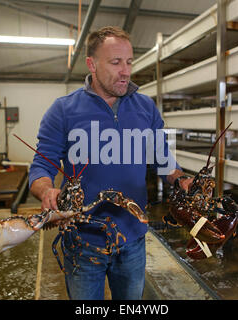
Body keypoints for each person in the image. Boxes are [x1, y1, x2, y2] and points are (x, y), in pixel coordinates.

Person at [29, 26, 193, 300]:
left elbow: (163, 159)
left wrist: (181, 179)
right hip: (82, 242)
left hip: (132, 239)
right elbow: (41, 167)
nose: (125, 71)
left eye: (129, 62)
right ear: (91, 64)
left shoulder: (145, 108)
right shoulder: (63, 110)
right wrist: (46, 190)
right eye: (115, 62)